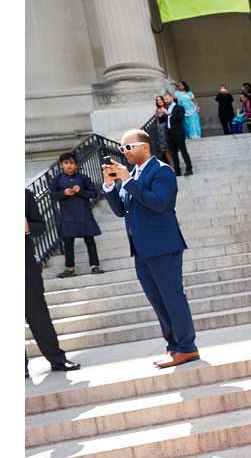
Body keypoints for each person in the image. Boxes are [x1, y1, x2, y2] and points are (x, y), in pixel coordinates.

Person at [101, 129, 199, 368]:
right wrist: (109, 185)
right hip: (141, 250)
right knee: (157, 301)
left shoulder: (162, 171)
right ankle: (173, 347)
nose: (124, 153)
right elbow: (120, 210)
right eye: (122, 149)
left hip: (163, 246)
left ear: (144, 146)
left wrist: (128, 181)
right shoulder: (131, 175)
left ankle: (187, 347)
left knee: (172, 298)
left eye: (128, 148)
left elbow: (158, 203)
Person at [26, 188, 80, 376]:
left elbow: (39, 225)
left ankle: (57, 359)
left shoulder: (24, 194)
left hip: (25, 266)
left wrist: (28, 228)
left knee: (38, 314)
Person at [51, 152, 104, 278]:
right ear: (61, 165)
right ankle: (70, 268)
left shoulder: (83, 178)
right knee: (68, 243)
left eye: (71, 163)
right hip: (67, 216)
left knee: (90, 241)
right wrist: (64, 193)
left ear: (76, 165)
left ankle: (95, 266)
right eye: (66, 163)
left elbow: (94, 193)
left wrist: (81, 191)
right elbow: (52, 194)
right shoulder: (57, 179)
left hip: (84, 214)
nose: (69, 166)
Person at [163, 92, 193, 176]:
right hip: (169, 134)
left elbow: (180, 118)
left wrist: (170, 114)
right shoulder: (165, 109)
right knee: (173, 153)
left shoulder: (179, 107)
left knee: (183, 151)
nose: (165, 101)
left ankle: (189, 168)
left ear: (172, 98)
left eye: (167, 99)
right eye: (164, 99)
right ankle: (177, 170)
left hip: (178, 133)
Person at [153, 95, 175, 168]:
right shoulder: (157, 110)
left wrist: (164, 111)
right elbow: (157, 121)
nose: (159, 101)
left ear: (163, 100)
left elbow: (170, 115)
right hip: (162, 131)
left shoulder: (168, 107)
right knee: (166, 150)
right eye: (157, 100)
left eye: (160, 99)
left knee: (172, 148)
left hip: (170, 129)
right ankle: (172, 167)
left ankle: (175, 165)